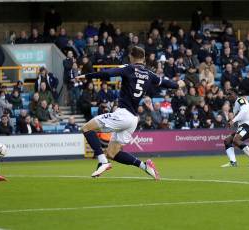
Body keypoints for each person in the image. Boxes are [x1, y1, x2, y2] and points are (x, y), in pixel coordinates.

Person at [77, 46, 185, 180]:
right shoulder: (149, 74)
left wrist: (87, 75)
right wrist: (177, 85)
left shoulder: (129, 68)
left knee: (86, 128)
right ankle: (145, 166)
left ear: (131, 57)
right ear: (144, 58)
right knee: (112, 152)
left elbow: (108, 74)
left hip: (123, 114)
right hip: (133, 119)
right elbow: (166, 83)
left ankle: (102, 161)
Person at [221, 89, 249, 167]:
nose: (229, 96)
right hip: (243, 126)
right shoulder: (235, 106)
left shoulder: (240, 100)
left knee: (236, 140)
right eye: (227, 95)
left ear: (235, 94)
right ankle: (233, 162)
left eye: (230, 94)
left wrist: (233, 121)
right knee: (227, 140)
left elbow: (244, 111)